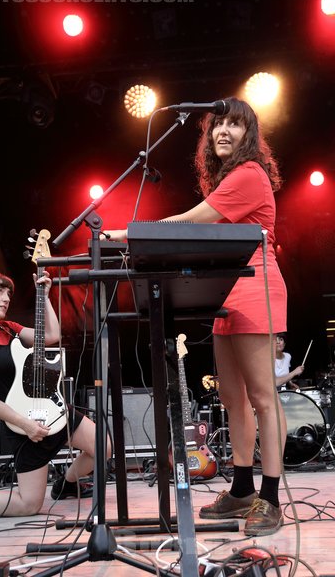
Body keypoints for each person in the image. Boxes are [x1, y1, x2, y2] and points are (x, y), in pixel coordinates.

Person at [105, 97, 287, 536]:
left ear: (251, 136)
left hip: (255, 284)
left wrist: (126, 233)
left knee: (261, 397)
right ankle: (242, 489)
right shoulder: (229, 180)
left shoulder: (248, 175)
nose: (223, 131)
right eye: (217, 125)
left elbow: (191, 221)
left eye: (234, 125)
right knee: (231, 396)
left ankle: (271, 497)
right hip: (227, 288)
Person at [0, 271, 110, 522]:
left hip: (50, 406)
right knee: (29, 504)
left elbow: (51, 337)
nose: (6, 298)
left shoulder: (9, 329)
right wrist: (25, 424)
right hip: (21, 424)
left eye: (8, 293)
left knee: (103, 446)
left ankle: (67, 484)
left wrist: (45, 296)